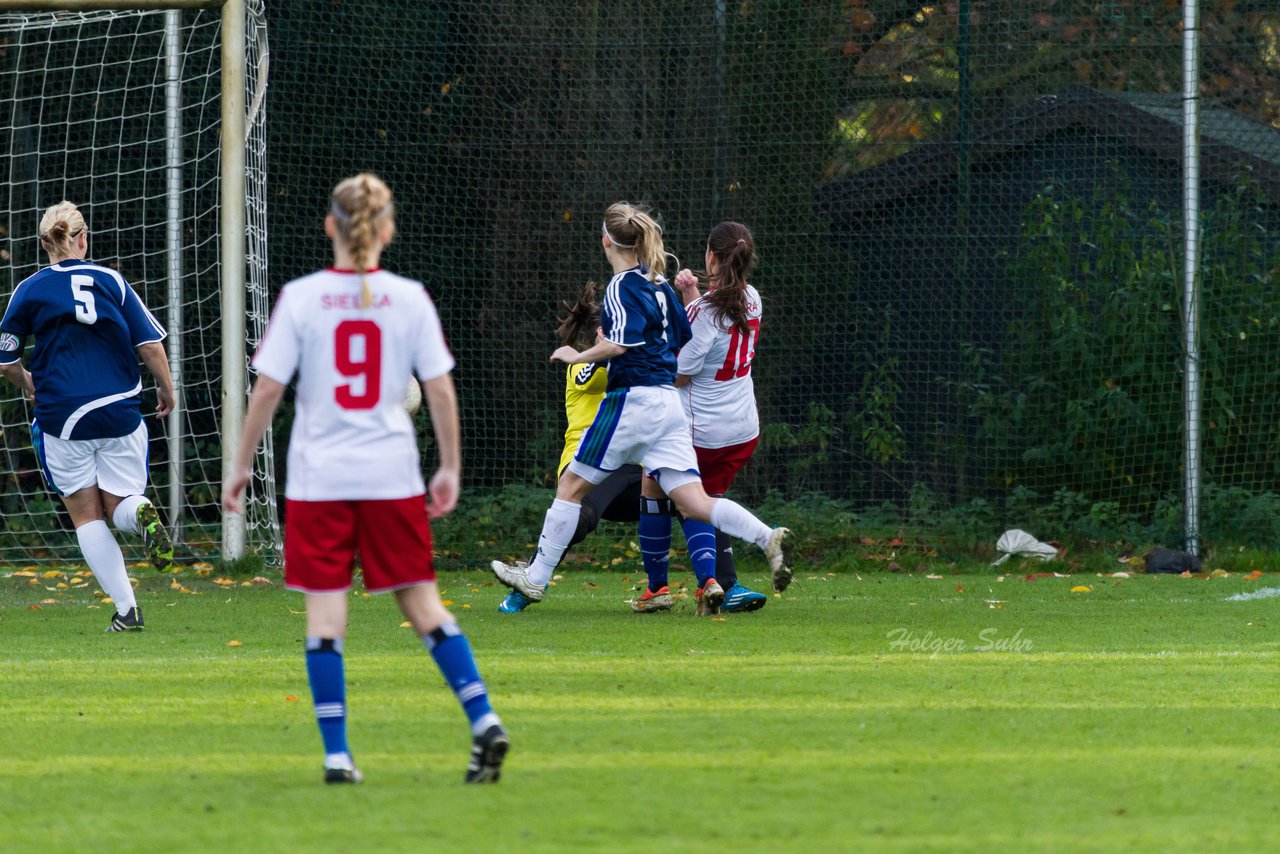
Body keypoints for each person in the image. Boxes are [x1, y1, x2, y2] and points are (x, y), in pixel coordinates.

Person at [220, 173, 508, 785]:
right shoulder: (409, 298)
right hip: (390, 476)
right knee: (425, 606)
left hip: (319, 480)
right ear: (387, 230)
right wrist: (450, 467)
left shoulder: (301, 296)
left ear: (331, 226)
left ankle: (337, 756)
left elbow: (268, 388)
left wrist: (241, 465)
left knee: (326, 621)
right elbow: (439, 390)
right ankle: (482, 718)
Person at [490, 202, 793, 612]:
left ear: (606, 240)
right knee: (695, 502)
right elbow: (682, 333)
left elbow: (620, 344)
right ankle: (766, 536)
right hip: (671, 407)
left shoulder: (620, 286)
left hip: (633, 400)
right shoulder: (659, 283)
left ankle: (535, 578)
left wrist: (574, 355)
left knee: (570, 488)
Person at [0, 201, 177, 633]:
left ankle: (127, 610)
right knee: (120, 503)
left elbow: (5, 361)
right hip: (120, 409)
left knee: (86, 514)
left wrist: (29, 384)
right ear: (84, 238)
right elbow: (150, 346)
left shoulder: (29, 289)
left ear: (44, 244)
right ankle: (142, 515)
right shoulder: (111, 281)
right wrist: (167, 388)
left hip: (63, 416)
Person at [640, 221, 773, 615]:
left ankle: (671, 588)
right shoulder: (752, 298)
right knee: (706, 498)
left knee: (664, 488)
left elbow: (681, 371)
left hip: (703, 431)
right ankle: (720, 584)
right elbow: (712, 330)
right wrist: (691, 293)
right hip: (742, 428)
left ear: (711, 257)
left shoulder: (703, 310)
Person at [494, 282, 647, 613]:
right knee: (582, 512)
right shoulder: (581, 365)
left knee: (690, 498)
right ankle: (528, 582)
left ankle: (716, 582)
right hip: (586, 461)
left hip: (630, 469)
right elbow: (607, 368)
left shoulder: (635, 362)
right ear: (603, 333)